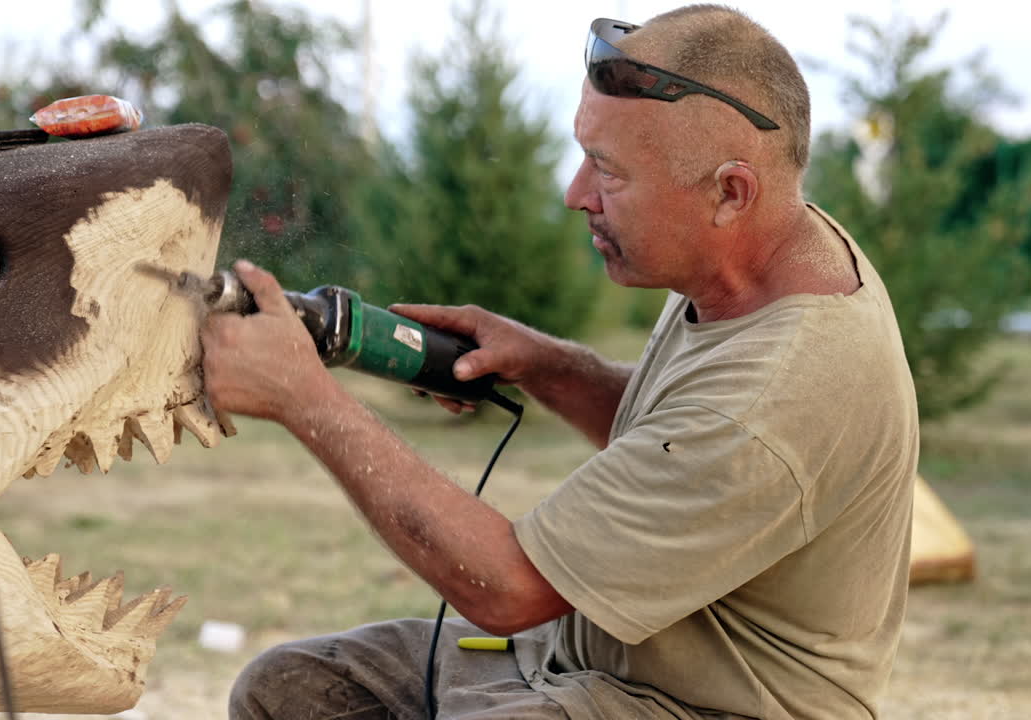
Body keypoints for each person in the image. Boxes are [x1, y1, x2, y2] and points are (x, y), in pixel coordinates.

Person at [204, 5, 918, 719]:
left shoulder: (785, 388)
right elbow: (683, 440)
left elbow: (507, 588)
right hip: (576, 658)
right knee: (291, 691)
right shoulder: (756, 259)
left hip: (696, 705)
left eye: (608, 172)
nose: (576, 195)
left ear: (730, 192)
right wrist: (548, 365)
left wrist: (305, 399)